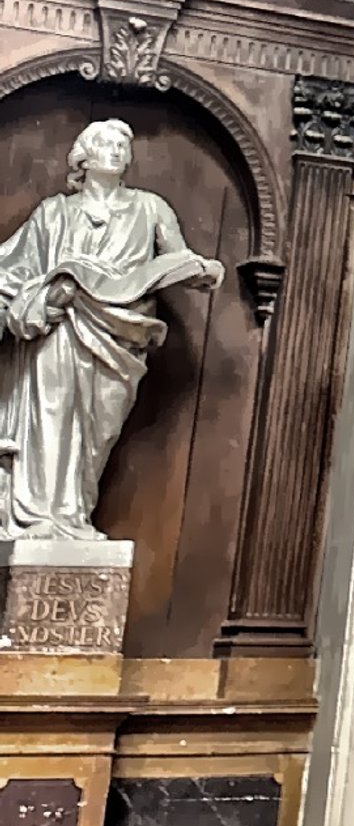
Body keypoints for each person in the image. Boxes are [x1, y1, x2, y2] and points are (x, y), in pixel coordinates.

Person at [0, 120, 222, 540]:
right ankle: (43, 517)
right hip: (61, 330)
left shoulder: (150, 207)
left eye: (124, 144)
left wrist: (201, 270)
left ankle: (74, 513)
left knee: (98, 430)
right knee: (50, 417)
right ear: (83, 156)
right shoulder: (54, 212)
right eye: (106, 142)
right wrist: (42, 298)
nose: (117, 150)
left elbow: (179, 257)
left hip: (120, 335)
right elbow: (13, 270)